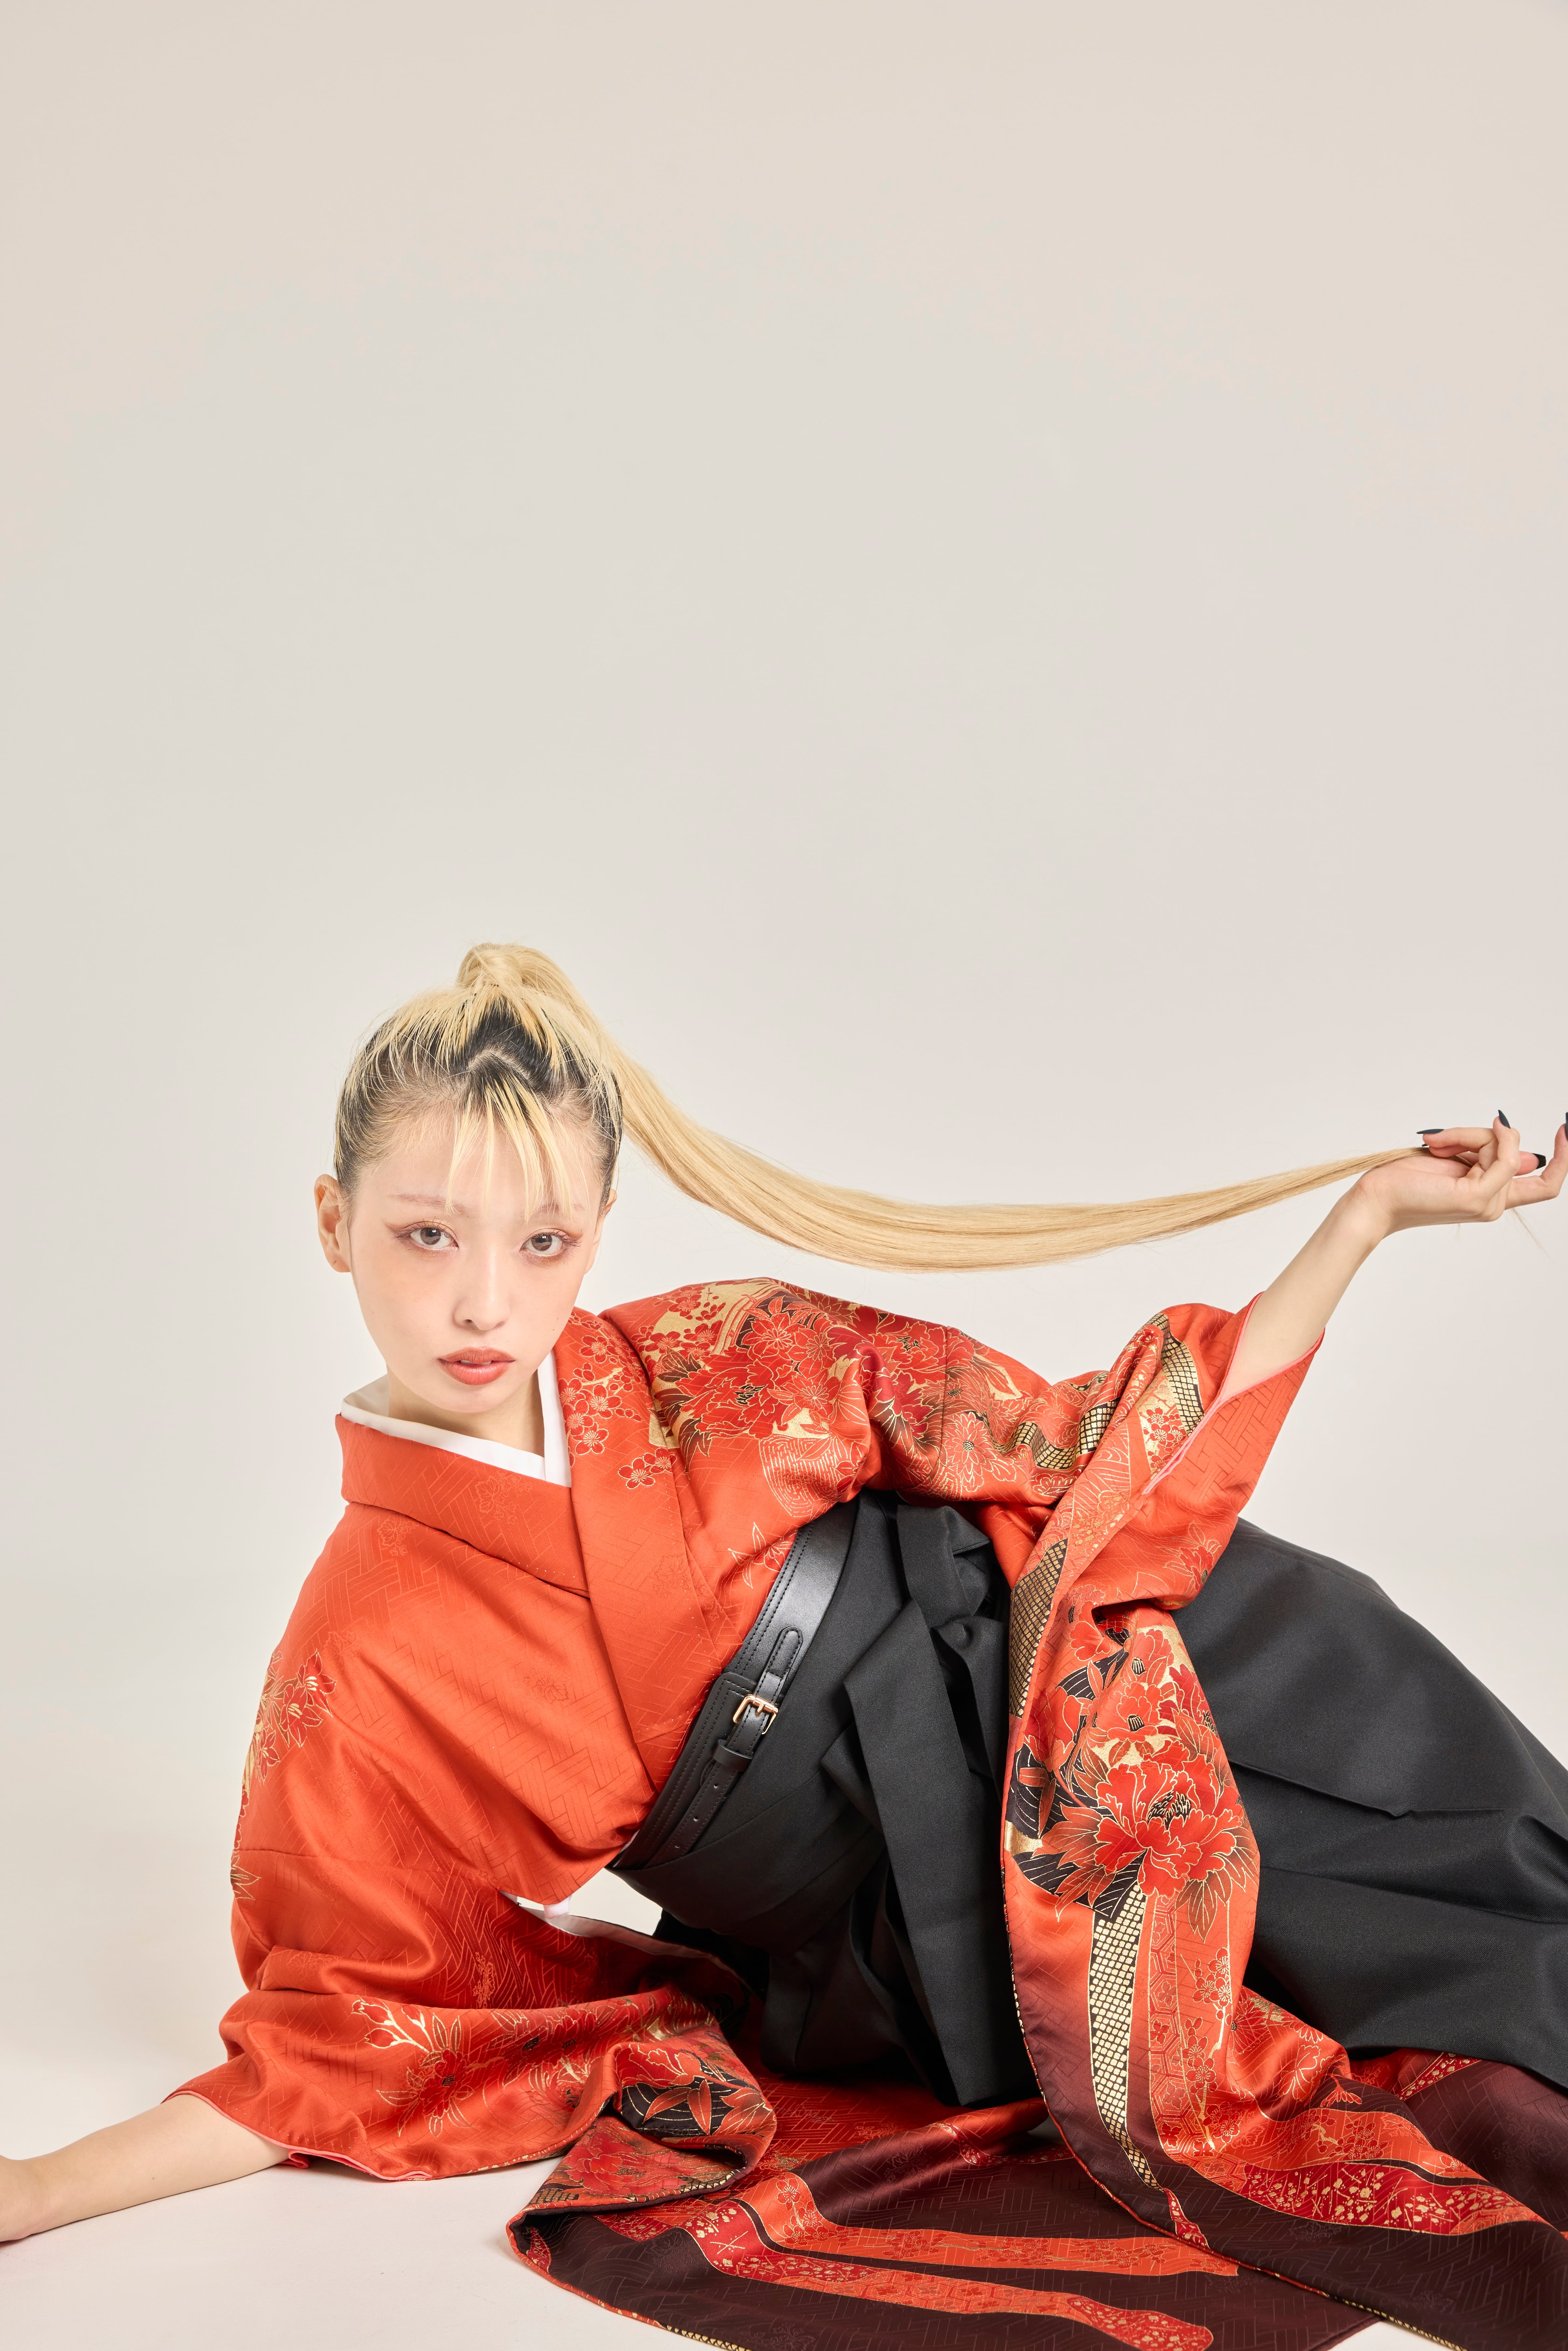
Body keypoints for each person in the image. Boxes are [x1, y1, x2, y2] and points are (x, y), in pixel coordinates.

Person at [4, 943, 1566, 2351]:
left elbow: (1089, 1442)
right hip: (925, 1916)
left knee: (1463, 1821)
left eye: (542, 1239)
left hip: (1090, 1658)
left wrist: (1364, 1221)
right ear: (332, 1222)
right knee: (1401, 2070)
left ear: (597, 1232)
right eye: (426, 1233)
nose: (483, 1299)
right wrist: (47, 2184)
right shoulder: (354, 1659)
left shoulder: (718, 1351)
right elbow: (337, 2033)